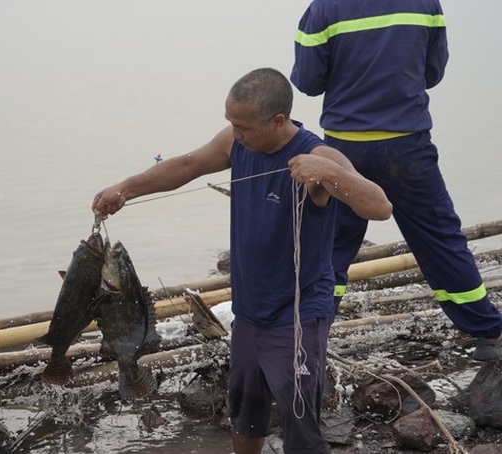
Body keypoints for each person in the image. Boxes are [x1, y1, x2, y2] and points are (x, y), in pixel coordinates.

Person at [92, 68, 392, 454]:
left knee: (299, 418)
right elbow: (185, 166)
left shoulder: (318, 156)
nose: (236, 134)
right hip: (250, 310)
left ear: (277, 121)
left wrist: (331, 172)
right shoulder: (236, 145)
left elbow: (380, 207)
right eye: (231, 123)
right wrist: (125, 189)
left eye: (244, 127)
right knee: (245, 411)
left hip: (298, 313)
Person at [290, 0, 502, 361]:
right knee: (439, 239)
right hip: (407, 145)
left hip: (345, 149)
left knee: (331, 248)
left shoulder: (324, 8)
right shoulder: (425, 3)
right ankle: (489, 334)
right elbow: (432, 72)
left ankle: (309, 341)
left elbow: (307, 81)